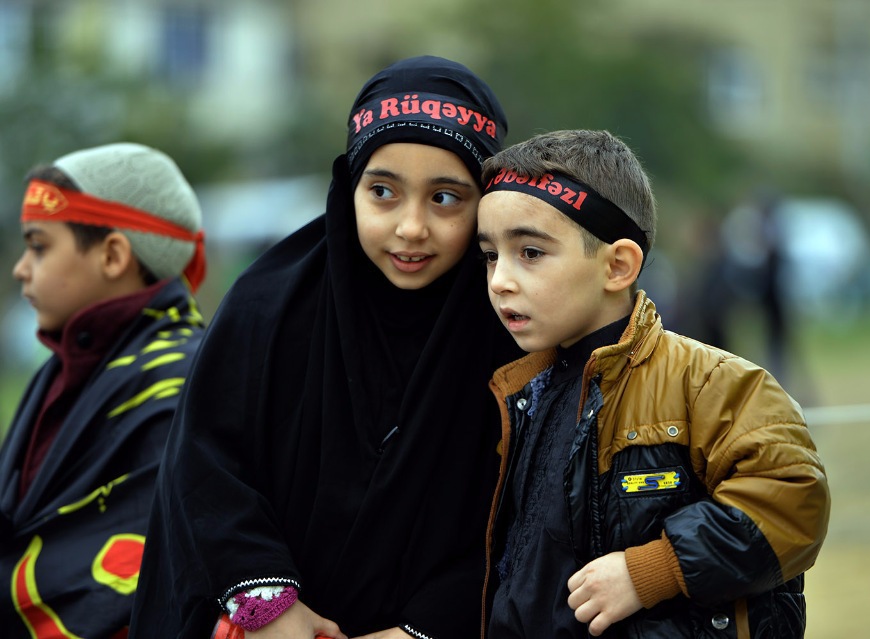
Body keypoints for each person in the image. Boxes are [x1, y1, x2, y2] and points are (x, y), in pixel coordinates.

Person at [129, 56, 518, 639]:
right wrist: (267, 604)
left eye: (445, 198)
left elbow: (523, 516)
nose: (411, 227)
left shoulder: (513, 330)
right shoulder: (268, 305)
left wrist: (425, 628)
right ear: (348, 188)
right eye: (383, 192)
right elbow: (205, 464)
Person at [476, 130, 831, 638]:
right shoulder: (518, 392)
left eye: (530, 252)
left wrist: (653, 571)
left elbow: (794, 499)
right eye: (491, 255)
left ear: (618, 266)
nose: (499, 280)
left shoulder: (710, 383)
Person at [0, 142, 207, 637]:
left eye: (39, 246)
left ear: (113, 255)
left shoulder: (183, 379)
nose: (20, 268)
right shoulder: (65, 367)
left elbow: (150, 573)